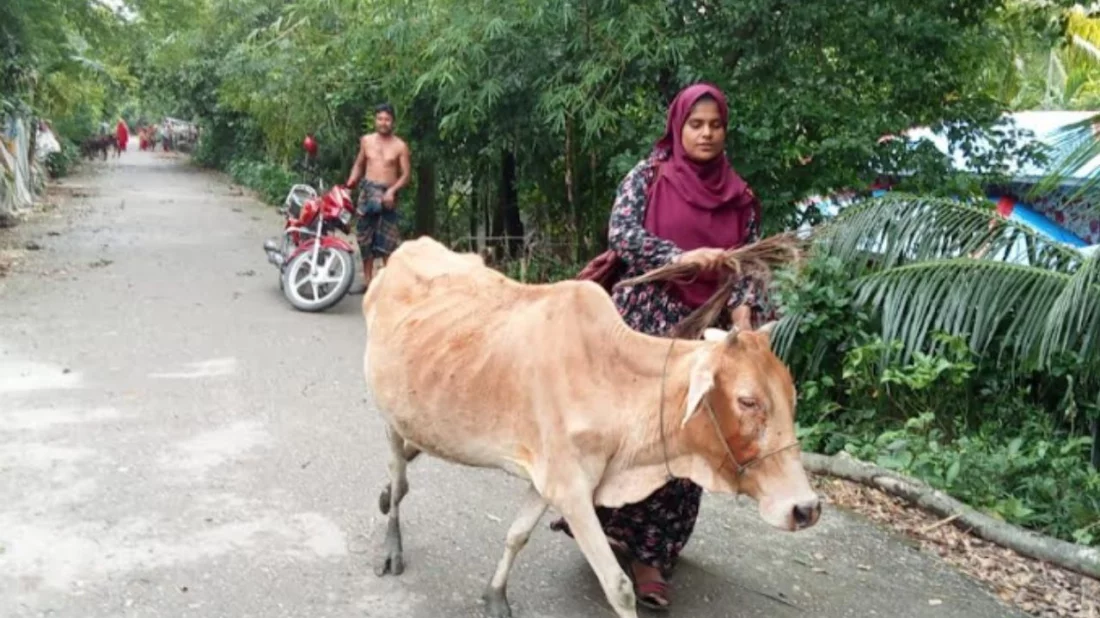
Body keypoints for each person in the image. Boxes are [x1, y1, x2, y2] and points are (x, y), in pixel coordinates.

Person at [550, 82, 769, 610]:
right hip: (642, 325)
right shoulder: (647, 177)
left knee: (683, 440)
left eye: (716, 125)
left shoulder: (741, 197)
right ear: (678, 126)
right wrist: (683, 255)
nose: (707, 134)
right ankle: (598, 524)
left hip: (703, 334)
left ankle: (653, 555)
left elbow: (748, 262)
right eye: (697, 124)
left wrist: (744, 314)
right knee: (622, 430)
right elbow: (622, 234)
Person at [344, 102, 411, 293]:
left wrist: (391, 191)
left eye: (387, 119)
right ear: (375, 120)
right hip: (367, 193)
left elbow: (406, 175)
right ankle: (367, 280)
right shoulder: (366, 141)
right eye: (380, 119)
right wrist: (349, 185)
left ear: (393, 122)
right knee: (365, 237)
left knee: (387, 241)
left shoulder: (400, 146)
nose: (383, 123)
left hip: (387, 196)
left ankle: (387, 284)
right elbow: (358, 165)